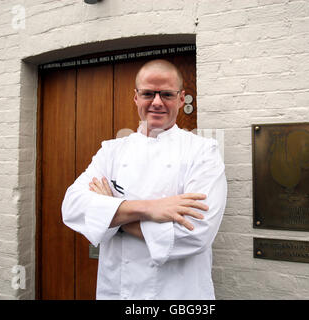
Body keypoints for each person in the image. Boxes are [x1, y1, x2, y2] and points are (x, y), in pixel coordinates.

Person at [61, 59, 227, 300]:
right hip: (117, 291)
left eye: (167, 94)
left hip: (177, 295)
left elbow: (195, 234)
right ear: (136, 97)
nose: (157, 102)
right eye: (148, 93)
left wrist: (110, 217)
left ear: (181, 99)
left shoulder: (203, 152)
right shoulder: (111, 151)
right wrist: (151, 208)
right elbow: (72, 207)